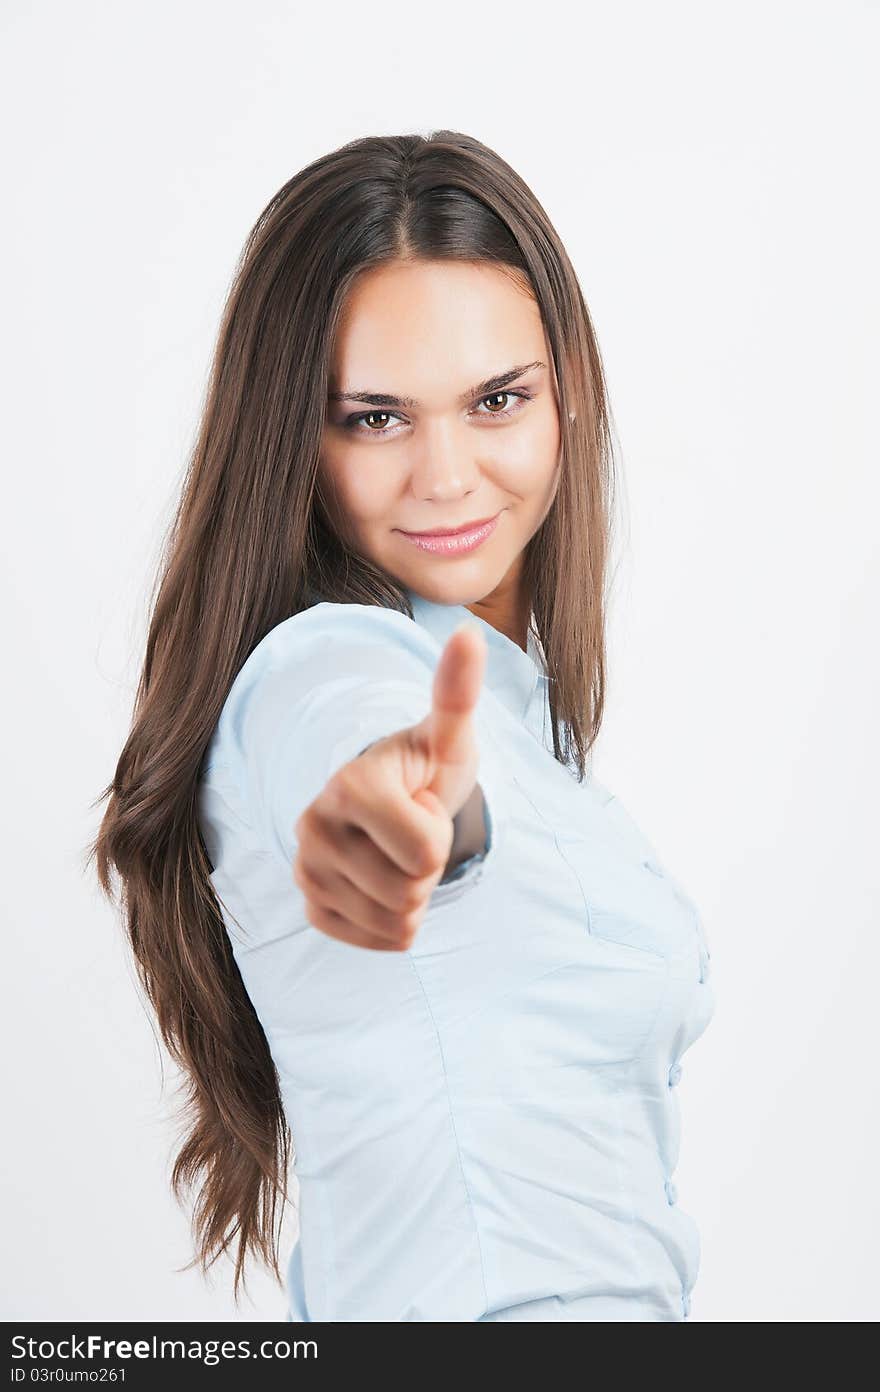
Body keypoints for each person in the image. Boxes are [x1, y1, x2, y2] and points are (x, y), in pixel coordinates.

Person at [90, 129, 715, 1322]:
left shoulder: (535, 735)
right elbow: (362, 751)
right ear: (295, 438)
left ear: (566, 382)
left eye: (495, 400)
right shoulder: (321, 667)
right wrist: (393, 815)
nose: (446, 475)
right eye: (373, 418)